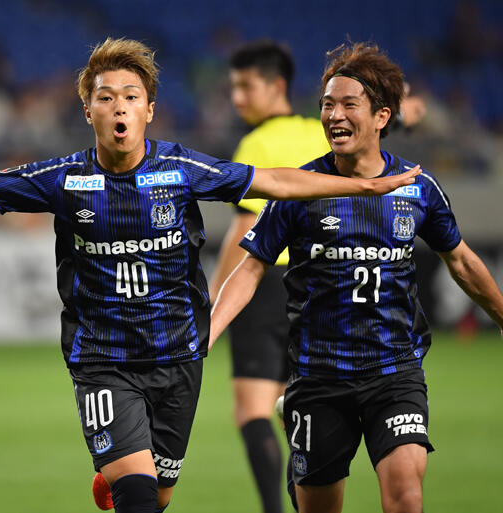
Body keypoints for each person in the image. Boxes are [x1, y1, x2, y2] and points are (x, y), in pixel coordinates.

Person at [0, 38, 420, 513]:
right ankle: (124, 471)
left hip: (178, 360)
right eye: (105, 96)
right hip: (103, 363)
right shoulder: (64, 179)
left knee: (158, 494)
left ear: (149, 110)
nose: (118, 105)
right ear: (88, 110)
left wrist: (363, 186)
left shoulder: (182, 170)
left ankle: (121, 472)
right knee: (141, 500)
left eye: (129, 96)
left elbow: (277, 181)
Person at [209, 42, 503, 513]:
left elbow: (463, 261)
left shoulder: (417, 188)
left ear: (382, 116)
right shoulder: (300, 190)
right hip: (320, 378)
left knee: (406, 495)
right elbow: (251, 268)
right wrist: (207, 332)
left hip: (395, 372)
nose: (334, 115)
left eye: (349, 104)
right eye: (328, 104)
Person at [207, 40, 330, 513]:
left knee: (253, 411)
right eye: (233, 87)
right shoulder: (323, 133)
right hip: (319, 284)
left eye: (246, 86)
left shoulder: (256, 143)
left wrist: (215, 297)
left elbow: (245, 228)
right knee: (299, 411)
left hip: (265, 285)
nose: (237, 98)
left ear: (276, 86)